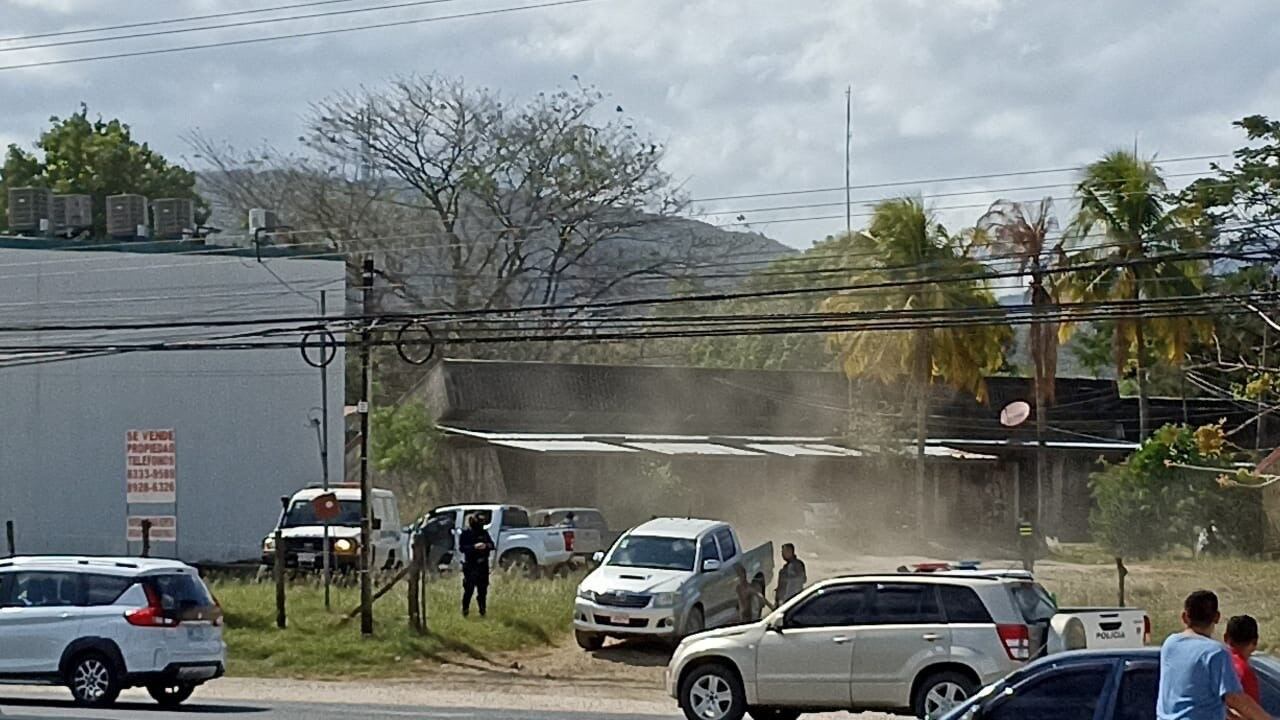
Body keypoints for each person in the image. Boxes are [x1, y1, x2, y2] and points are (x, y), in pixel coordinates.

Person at [1157, 590, 1271, 720]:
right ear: (1217, 617)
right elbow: (1234, 698)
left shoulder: (1170, 644)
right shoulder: (1215, 652)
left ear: (1185, 617)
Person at [458, 513, 495, 617]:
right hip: (471, 565)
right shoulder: (466, 533)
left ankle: (482, 612)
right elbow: (462, 548)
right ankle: (465, 611)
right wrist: (474, 547)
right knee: (468, 590)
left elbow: (492, 545)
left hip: (483, 565)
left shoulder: (484, 533)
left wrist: (485, 545)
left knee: (482, 591)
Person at [1226, 615, 1262, 704]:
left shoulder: (1215, 662)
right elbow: (1252, 712)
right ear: (1255, 642)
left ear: (1226, 638)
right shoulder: (1245, 673)